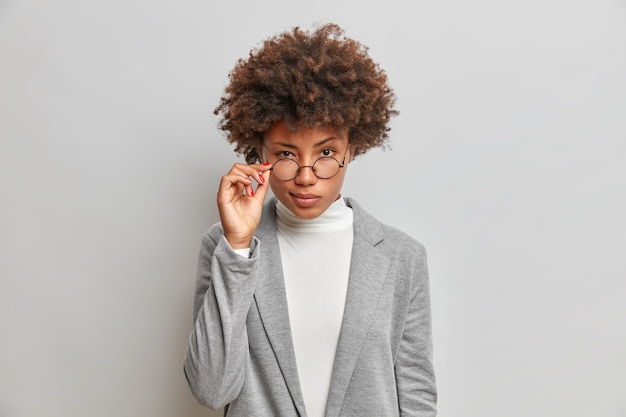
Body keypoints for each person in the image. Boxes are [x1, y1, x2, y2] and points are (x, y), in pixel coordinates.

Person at [184, 23, 437, 417]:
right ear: (259, 152)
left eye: (326, 153)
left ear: (351, 149)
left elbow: (416, 394)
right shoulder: (225, 248)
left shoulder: (403, 257)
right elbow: (212, 390)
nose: (305, 175)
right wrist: (236, 248)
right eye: (285, 154)